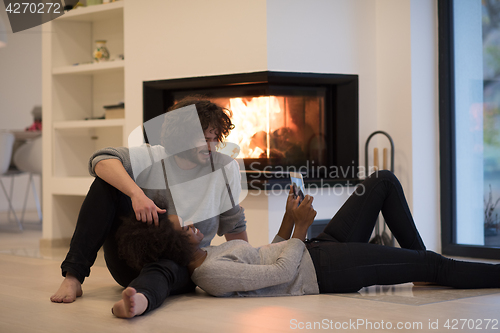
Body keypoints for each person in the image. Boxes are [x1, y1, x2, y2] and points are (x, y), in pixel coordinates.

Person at [112, 170, 500, 317]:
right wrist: (300, 230)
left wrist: (288, 218)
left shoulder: (208, 254)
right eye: (184, 229)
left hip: (318, 250)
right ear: (174, 246)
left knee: (382, 182)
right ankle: (435, 267)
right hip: (327, 270)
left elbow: (269, 254)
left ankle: (419, 264)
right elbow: (281, 274)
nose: (193, 226)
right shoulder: (210, 274)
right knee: (436, 265)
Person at [50, 97, 248, 314]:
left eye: (214, 137)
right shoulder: (153, 156)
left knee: (169, 265)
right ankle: (73, 276)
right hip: (132, 259)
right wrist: (136, 194)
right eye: (203, 138)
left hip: (184, 263)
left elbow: (234, 225)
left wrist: (245, 269)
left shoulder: (225, 167)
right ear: (181, 137)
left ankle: (137, 301)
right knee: (106, 184)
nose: (211, 145)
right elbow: (101, 160)